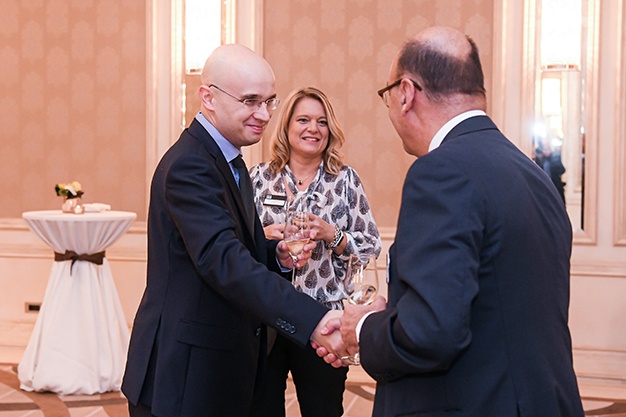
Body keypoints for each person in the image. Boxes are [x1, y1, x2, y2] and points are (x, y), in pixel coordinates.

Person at [320, 26, 584, 416]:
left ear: (406, 93)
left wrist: (361, 328)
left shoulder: (440, 171)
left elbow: (429, 334)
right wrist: (393, 315)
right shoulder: (532, 174)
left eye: (387, 95)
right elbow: (490, 303)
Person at [121, 44, 344, 417]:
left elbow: (235, 247)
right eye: (250, 101)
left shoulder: (229, 161)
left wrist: (276, 255)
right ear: (208, 97)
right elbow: (222, 260)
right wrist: (313, 319)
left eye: (269, 102)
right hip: (184, 376)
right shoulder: (191, 166)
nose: (264, 115)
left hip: (215, 369)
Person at [249, 87, 383, 417]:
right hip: (266, 317)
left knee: (322, 410)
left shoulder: (345, 180)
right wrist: (264, 237)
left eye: (322, 122)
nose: (313, 128)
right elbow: (236, 244)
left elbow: (370, 246)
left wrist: (331, 235)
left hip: (322, 321)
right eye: (304, 120)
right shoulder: (260, 178)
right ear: (286, 126)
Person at [534, 137, 567, 204]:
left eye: (547, 148)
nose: (546, 151)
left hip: (555, 187)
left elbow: (562, 170)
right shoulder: (539, 159)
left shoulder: (555, 158)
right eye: (544, 148)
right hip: (542, 188)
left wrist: (552, 159)